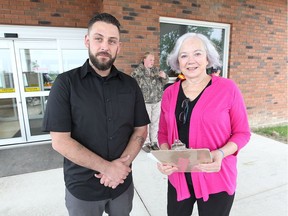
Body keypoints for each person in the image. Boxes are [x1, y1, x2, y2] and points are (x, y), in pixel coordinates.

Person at [42, 13, 150, 216]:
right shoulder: (66, 84)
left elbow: (140, 130)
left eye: (112, 41)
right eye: (98, 38)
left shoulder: (130, 85)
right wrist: (107, 168)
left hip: (122, 184)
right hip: (83, 189)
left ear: (119, 46)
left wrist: (121, 167)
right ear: (87, 41)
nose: (104, 46)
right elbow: (60, 141)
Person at [156, 32, 251, 216]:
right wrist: (165, 158)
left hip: (216, 177)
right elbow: (163, 133)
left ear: (208, 59)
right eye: (184, 55)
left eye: (197, 53)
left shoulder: (227, 88)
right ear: (178, 62)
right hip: (179, 177)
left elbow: (242, 133)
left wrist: (221, 153)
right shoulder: (169, 93)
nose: (191, 60)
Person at [131, 52, 169, 153]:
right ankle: (146, 142)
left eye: (153, 60)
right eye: (150, 60)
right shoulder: (138, 71)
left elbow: (166, 81)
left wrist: (164, 76)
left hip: (157, 100)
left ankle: (154, 142)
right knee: (146, 123)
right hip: (145, 102)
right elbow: (132, 83)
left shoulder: (157, 70)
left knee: (155, 122)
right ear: (145, 60)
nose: (153, 62)